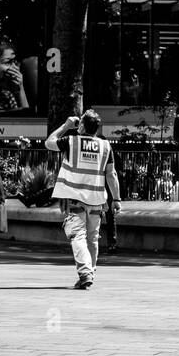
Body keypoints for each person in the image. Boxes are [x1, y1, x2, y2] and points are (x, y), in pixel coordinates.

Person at [46, 110, 121, 290]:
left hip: (75, 199)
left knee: (77, 236)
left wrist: (65, 126)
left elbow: (49, 143)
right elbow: (111, 174)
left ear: (81, 126)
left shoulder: (71, 141)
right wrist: (116, 199)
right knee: (92, 239)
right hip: (96, 200)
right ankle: (90, 273)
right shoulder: (105, 146)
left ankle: (85, 272)